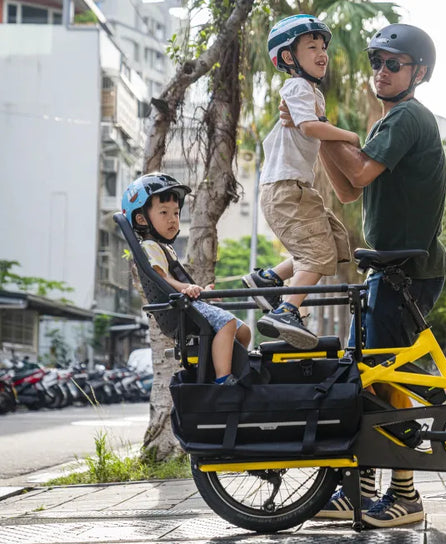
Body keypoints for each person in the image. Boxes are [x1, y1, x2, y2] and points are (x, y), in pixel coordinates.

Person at [310, 23, 446, 528]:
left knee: (387, 383)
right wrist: (320, 133)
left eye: (394, 64)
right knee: (371, 380)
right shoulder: (388, 122)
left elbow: (361, 172)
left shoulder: (407, 116)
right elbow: (349, 191)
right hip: (391, 272)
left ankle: (406, 494)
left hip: (406, 272)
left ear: (419, 73)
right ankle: (361, 490)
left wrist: (324, 129)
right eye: (377, 63)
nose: (381, 73)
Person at [241, 14, 358, 350]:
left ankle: (269, 279)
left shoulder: (309, 92)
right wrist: (352, 137)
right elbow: (309, 127)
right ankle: (287, 310)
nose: (322, 53)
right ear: (290, 57)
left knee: (333, 244)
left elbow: (310, 124)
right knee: (315, 253)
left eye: (323, 47)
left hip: (296, 187)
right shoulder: (296, 86)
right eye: (312, 47)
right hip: (285, 188)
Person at [121, 173, 251, 385]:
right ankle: (222, 378)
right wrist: (186, 288)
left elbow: (174, 279)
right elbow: (162, 278)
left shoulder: (165, 248)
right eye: (164, 212)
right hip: (180, 309)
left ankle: (228, 367)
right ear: (141, 219)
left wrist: (199, 290)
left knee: (243, 331)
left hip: (187, 303)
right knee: (227, 323)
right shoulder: (150, 247)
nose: (172, 219)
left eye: (176, 213)